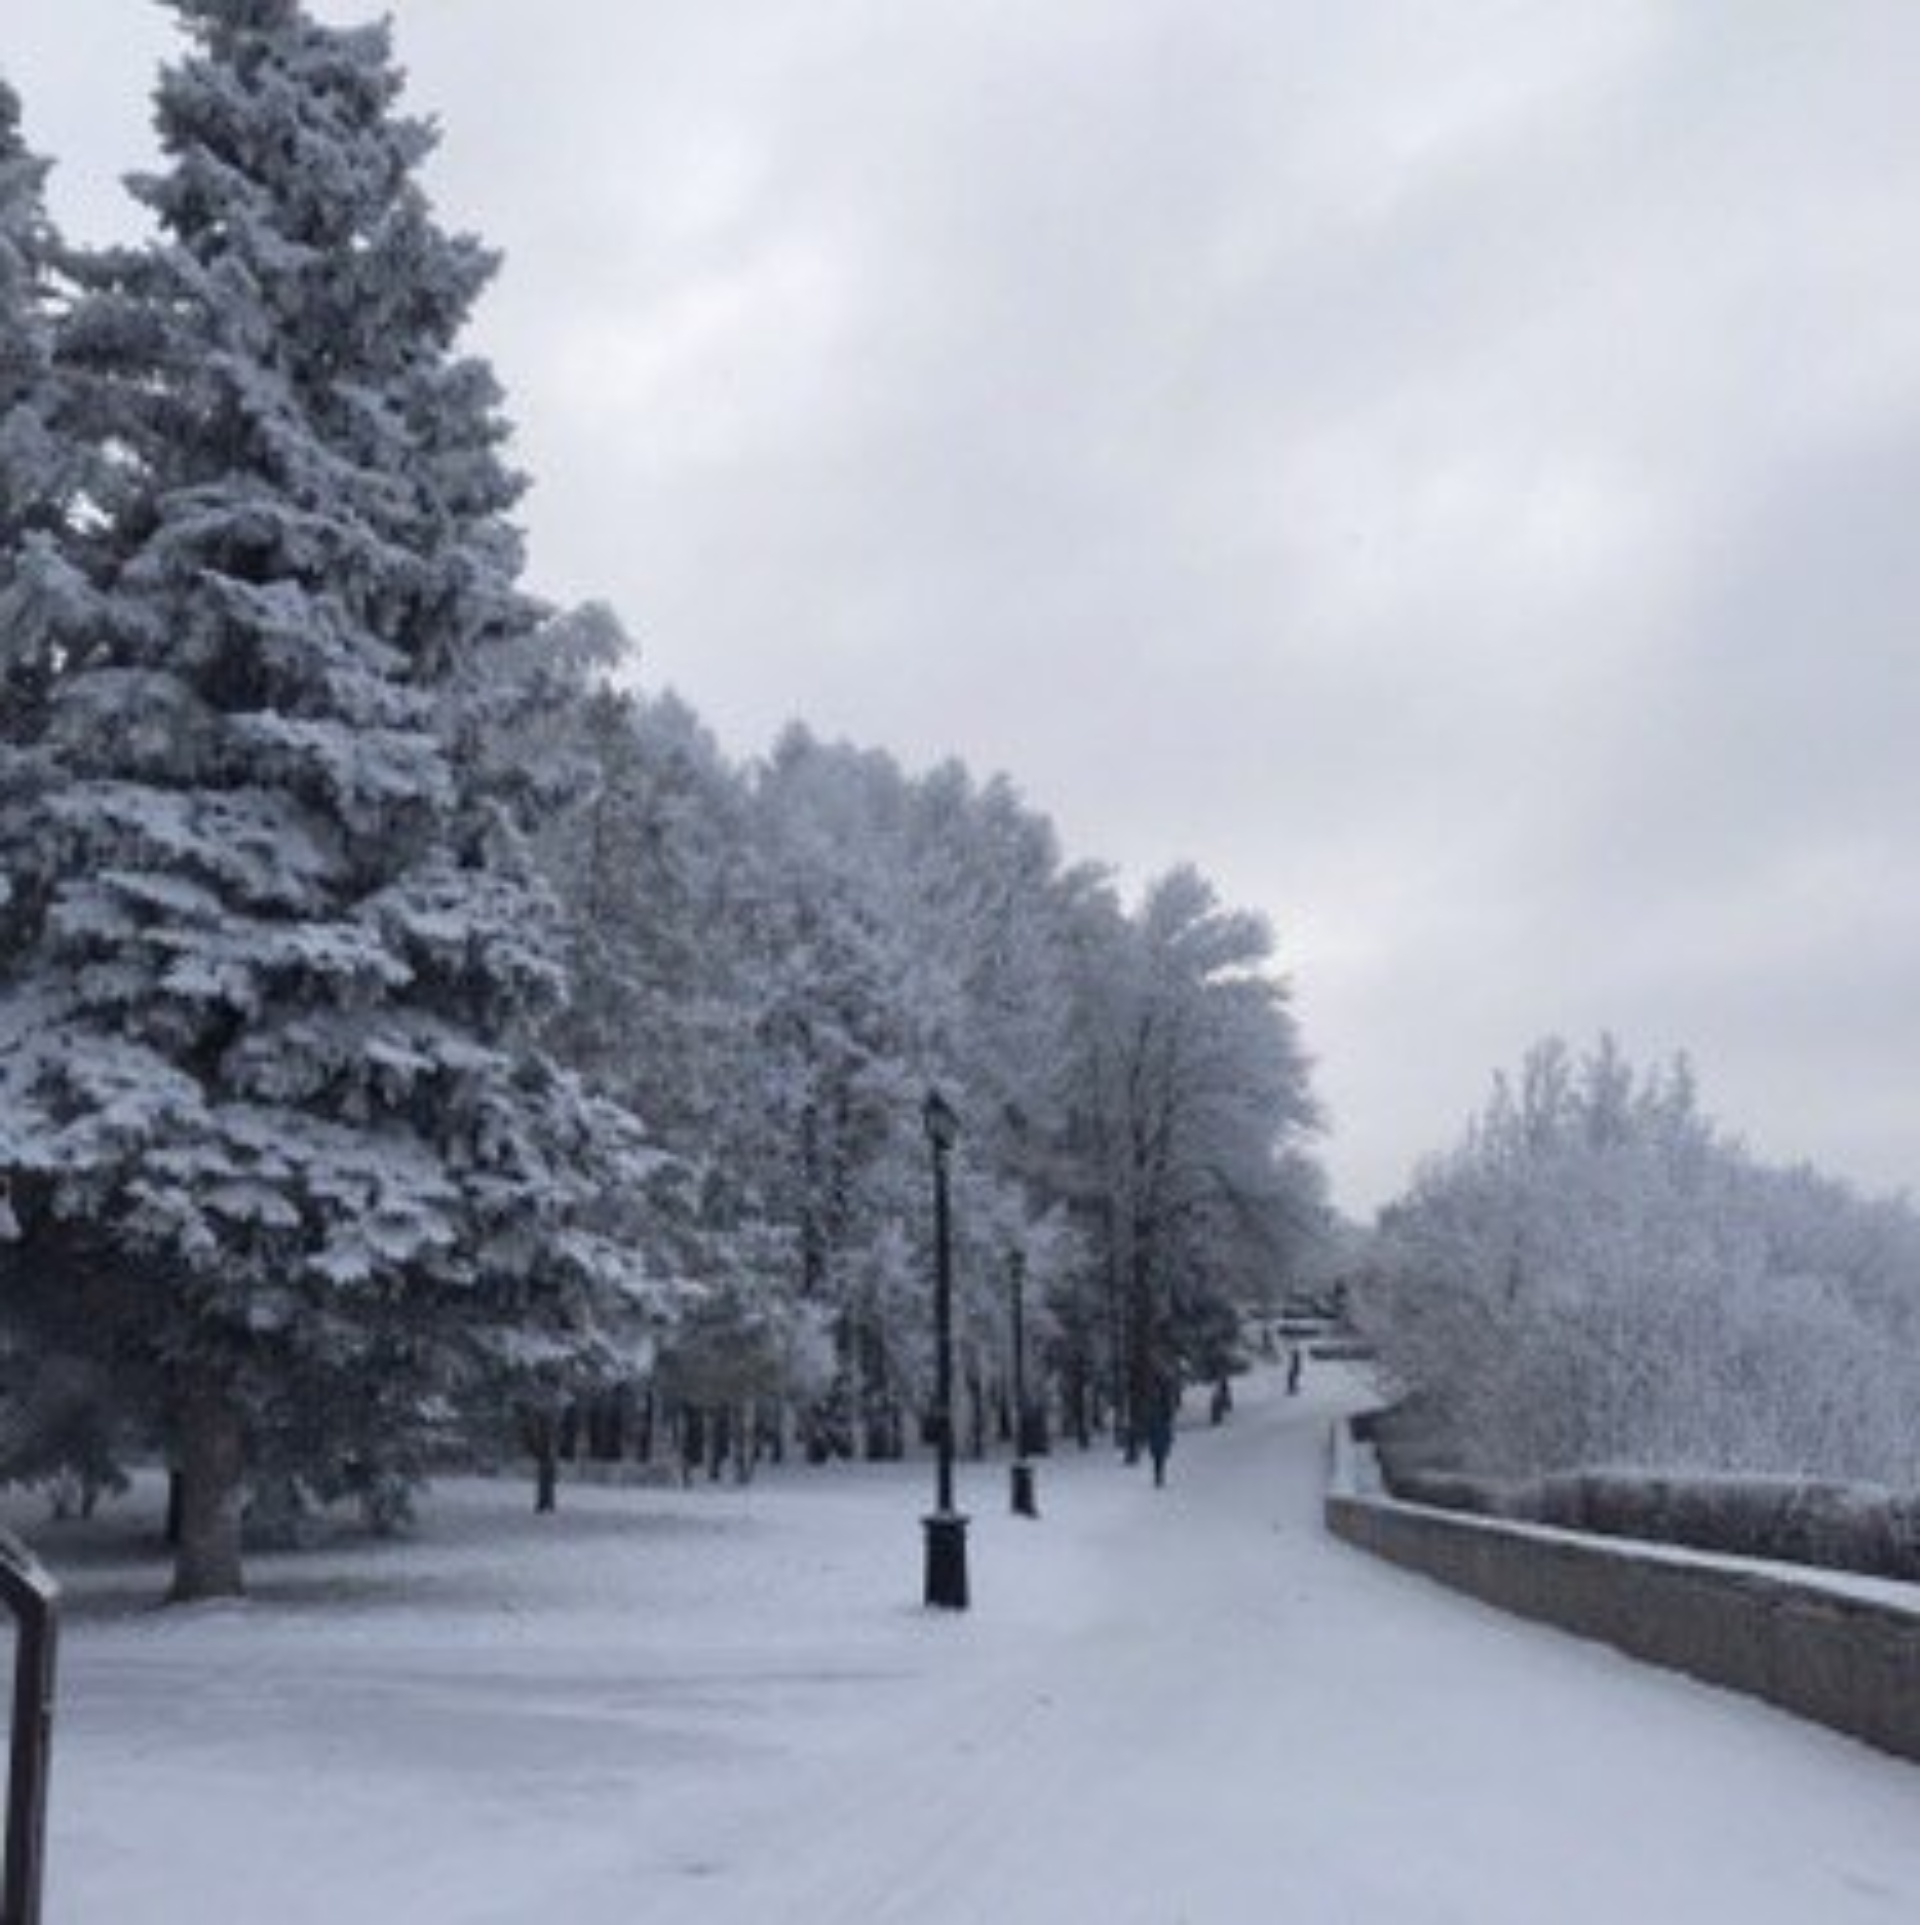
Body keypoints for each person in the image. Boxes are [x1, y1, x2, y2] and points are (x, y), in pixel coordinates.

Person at [1146, 1396, 1174, 1487]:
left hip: (1157, 1440)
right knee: (1160, 1460)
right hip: (1160, 1440)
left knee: (1158, 1461)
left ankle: (1158, 1477)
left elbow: (1150, 1430)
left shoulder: (1153, 1414)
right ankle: (1159, 1477)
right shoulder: (1164, 1418)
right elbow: (1168, 1430)